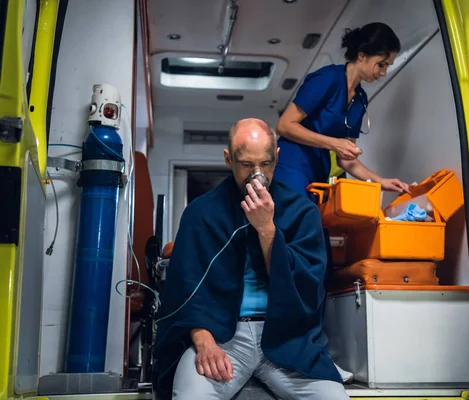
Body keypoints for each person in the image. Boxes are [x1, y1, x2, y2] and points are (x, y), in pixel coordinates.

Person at [152, 118, 349, 399]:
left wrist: (267, 229)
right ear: (228, 159)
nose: (258, 175)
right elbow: (184, 290)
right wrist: (204, 342)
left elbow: (308, 285)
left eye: (266, 164)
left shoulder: (302, 212)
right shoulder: (201, 213)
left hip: (287, 336)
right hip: (222, 336)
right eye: (246, 165)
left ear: (277, 157)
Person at [274, 22, 411, 198]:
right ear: (362, 56)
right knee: (298, 219)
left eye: (387, 66)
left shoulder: (360, 99)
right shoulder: (327, 79)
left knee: (315, 223)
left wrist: (381, 181)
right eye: (381, 64)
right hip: (291, 166)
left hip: (318, 174)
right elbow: (284, 125)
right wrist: (334, 143)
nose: (383, 73)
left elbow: (347, 160)